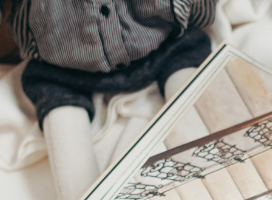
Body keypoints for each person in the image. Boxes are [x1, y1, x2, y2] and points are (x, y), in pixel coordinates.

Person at [0, 0, 216, 199]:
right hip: (62, 63)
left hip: (164, 40)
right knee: (62, 119)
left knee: (197, 136)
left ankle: (213, 181)